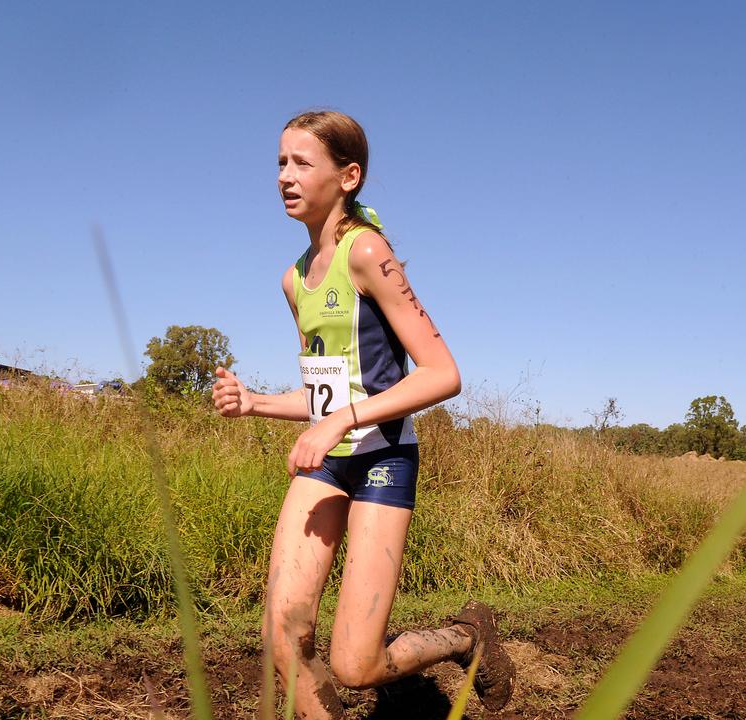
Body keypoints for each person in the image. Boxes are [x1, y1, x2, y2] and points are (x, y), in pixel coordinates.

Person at [211, 110, 514, 719]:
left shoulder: (367, 251)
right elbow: (323, 396)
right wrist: (257, 403)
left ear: (348, 176)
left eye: (302, 163)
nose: (284, 177)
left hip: (382, 457)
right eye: (279, 162)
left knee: (356, 665)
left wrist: (344, 420)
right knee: (282, 635)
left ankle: (465, 637)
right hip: (328, 463)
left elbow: (442, 373)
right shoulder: (294, 281)